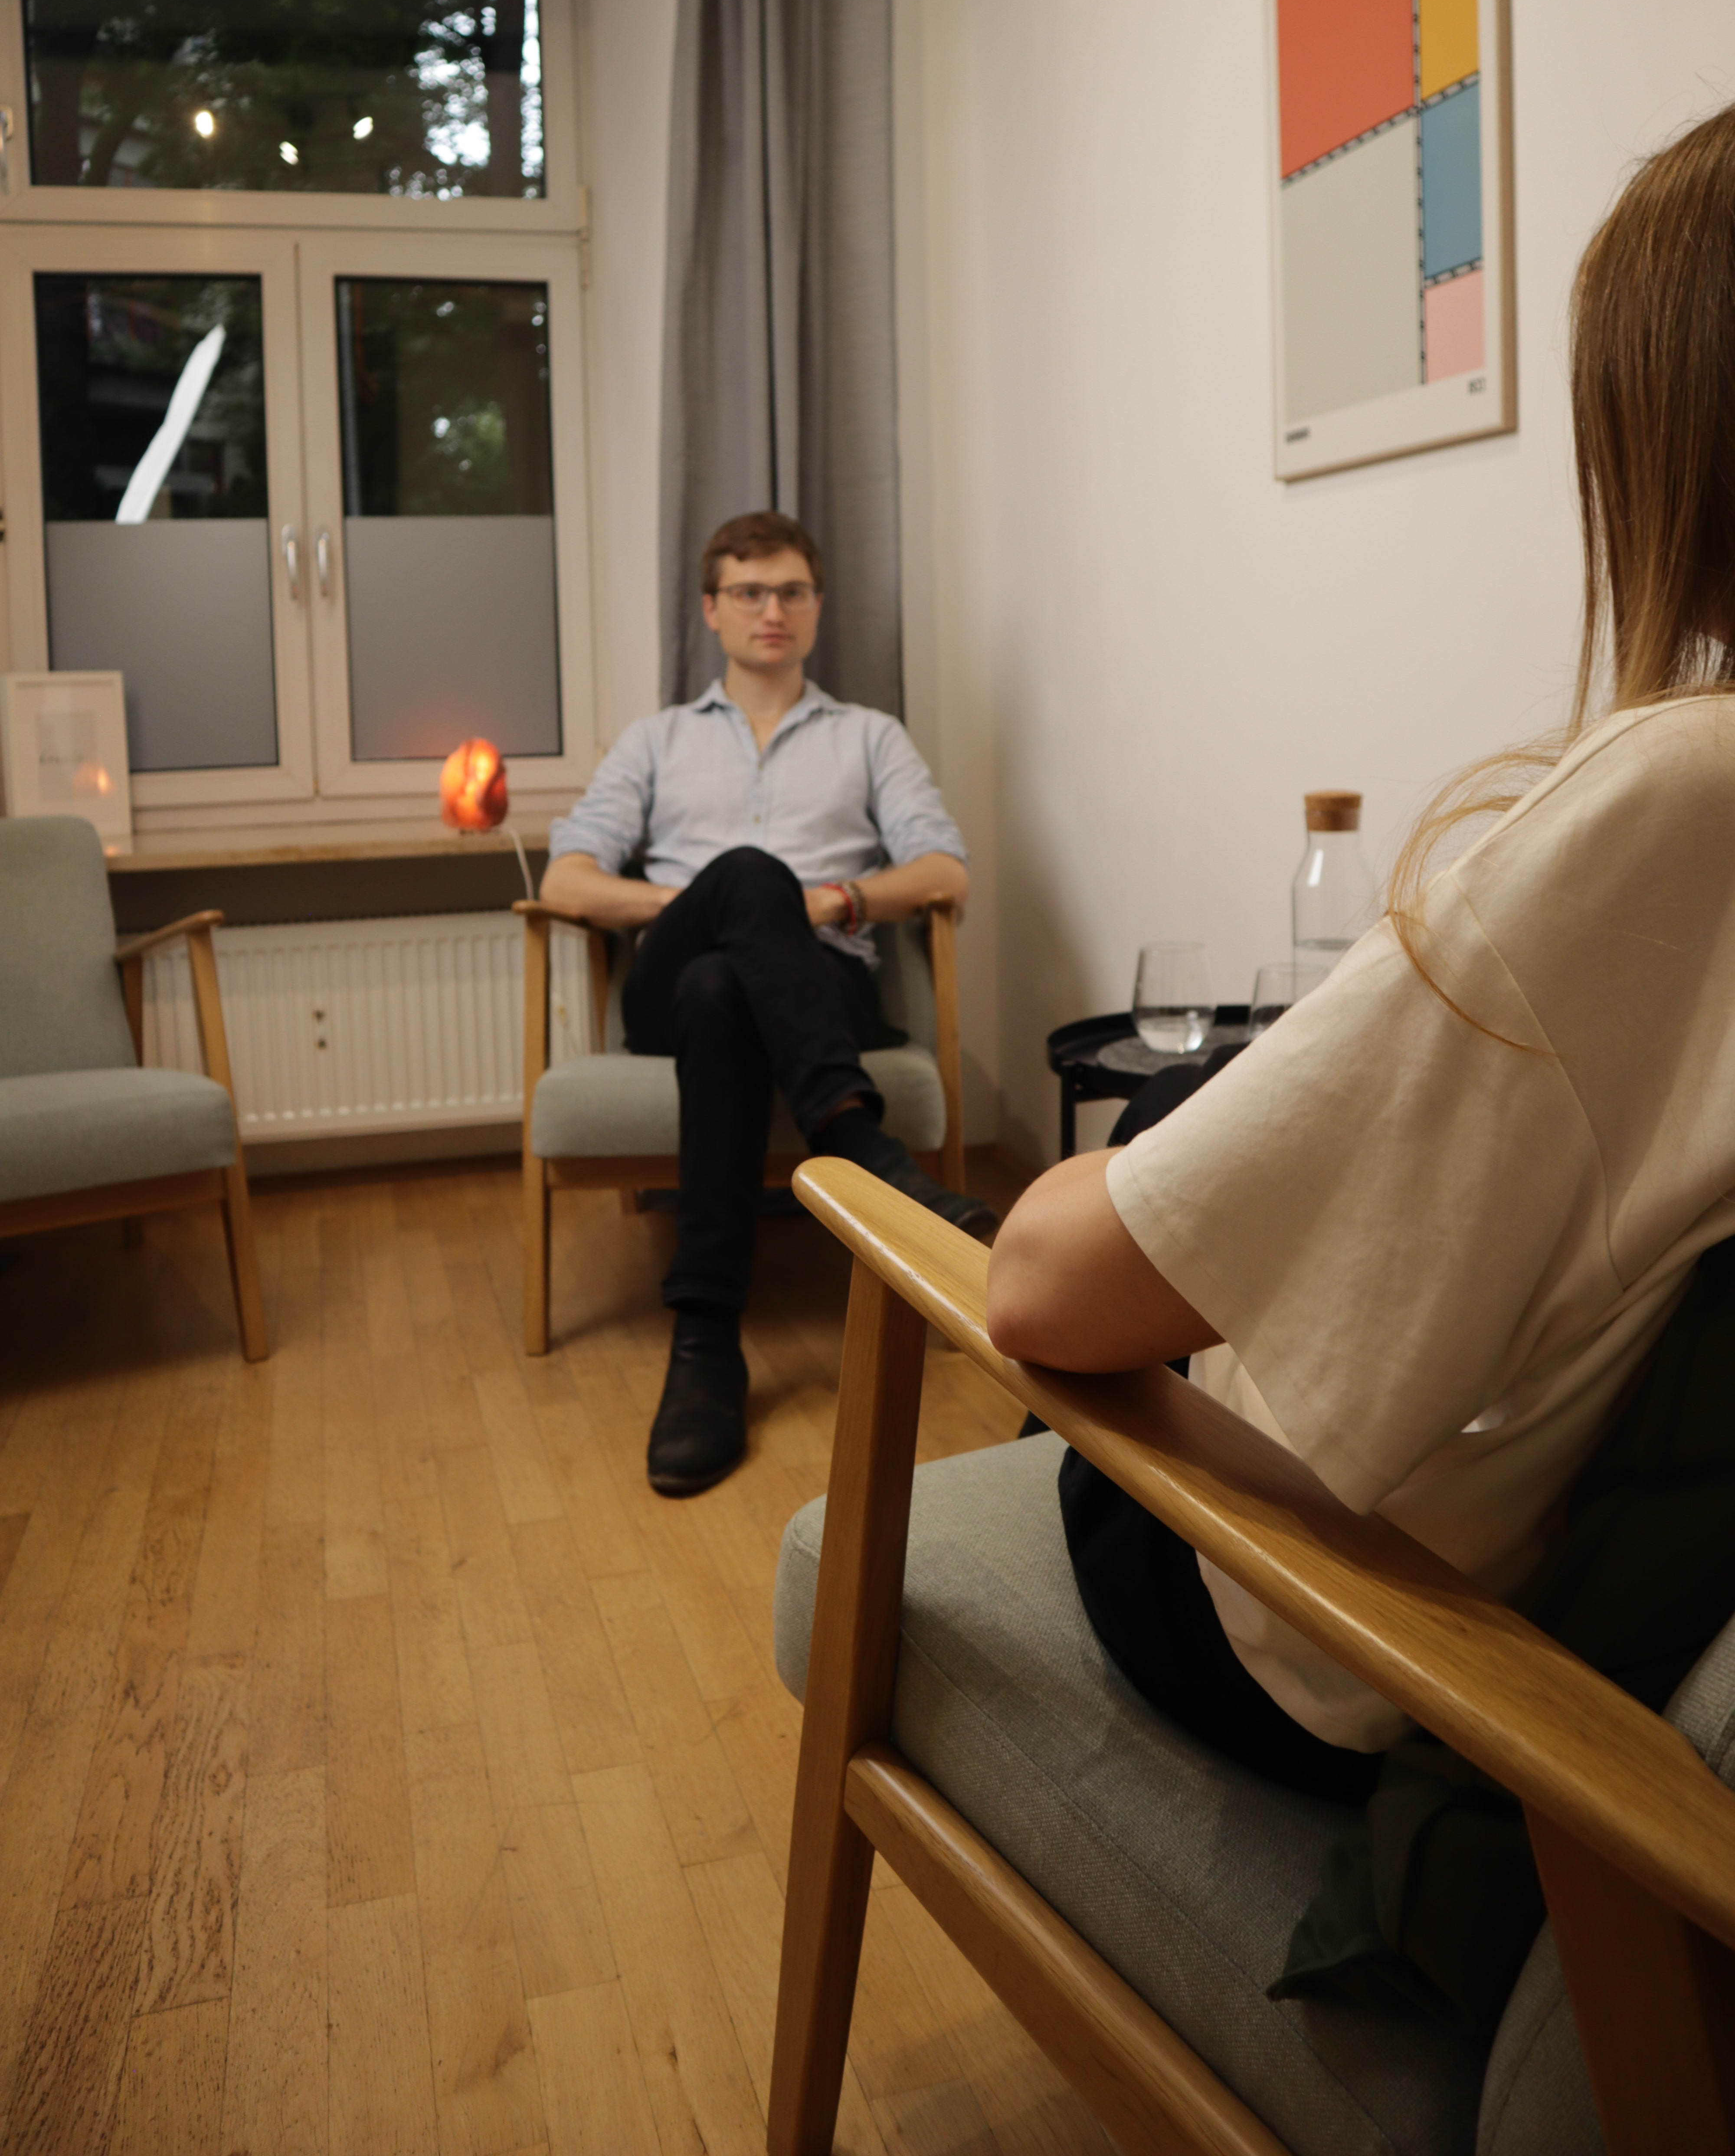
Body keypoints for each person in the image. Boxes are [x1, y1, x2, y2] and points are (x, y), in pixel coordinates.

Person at [986, 101, 1735, 1789]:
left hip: (1349, 1642)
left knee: (1057, 1229)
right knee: (1187, 1115)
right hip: (1524, 1586)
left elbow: (1035, 1290)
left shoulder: (1680, 798)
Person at [542, 509, 992, 1497]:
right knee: (739, 889)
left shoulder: (869, 736)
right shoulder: (655, 740)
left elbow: (943, 870)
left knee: (725, 983)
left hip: (823, 982)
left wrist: (831, 902)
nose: (771, 609)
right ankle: (858, 1141)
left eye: (791, 591)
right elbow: (567, 880)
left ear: (817, 606)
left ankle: (705, 1342)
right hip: (668, 985)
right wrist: (709, 903)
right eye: (748, 591)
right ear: (712, 609)